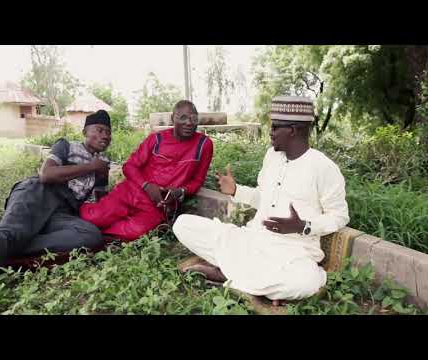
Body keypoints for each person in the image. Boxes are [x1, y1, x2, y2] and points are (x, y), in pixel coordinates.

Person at [173, 96, 349, 305]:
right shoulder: (271, 156)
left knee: (306, 282)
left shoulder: (324, 167)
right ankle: (255, 282)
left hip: (293, 251)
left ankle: (224, 274)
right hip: (252, 239)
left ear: (293, 130)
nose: (270, 132)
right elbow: (262, 197)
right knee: (182, 224)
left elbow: (339, 216)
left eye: (275, 127)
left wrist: (303, 226)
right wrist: (236, 190)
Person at [0, 110, 112, 315]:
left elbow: (97, 203)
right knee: (13, 230)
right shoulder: (66, 145)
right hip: (39, 192)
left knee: (90, 235)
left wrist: (103, 179)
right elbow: (46, 174)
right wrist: (91, 166)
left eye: (108, 132)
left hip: (64, 211)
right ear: (85, 131)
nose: (105, 136)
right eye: (99, 130)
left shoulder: (102, 166)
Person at [80, 100, 213, 242]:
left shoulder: (204, 144)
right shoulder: (156, 139)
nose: (189, 123)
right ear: (173, 118)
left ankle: (97, 233)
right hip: (130, 192)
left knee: (135, 232)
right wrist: (146, 186)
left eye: (194, 118)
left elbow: (197, 181)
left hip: (157, 206)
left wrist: (180, 192)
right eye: (183, 118)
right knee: (93, 217)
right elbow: (129, 166)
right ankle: (93, 223)